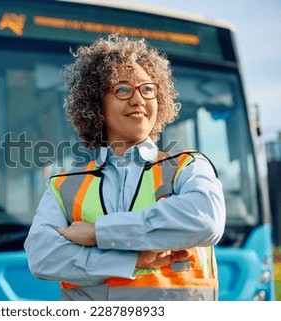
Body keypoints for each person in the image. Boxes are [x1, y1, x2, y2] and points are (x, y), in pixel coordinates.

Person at [24, 34, 226, 301]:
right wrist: (131, 260)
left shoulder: (187, 166)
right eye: (122, 89)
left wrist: (98, 233)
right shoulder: (64, 185)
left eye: (148, 89)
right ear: (96, 105)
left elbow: (205, 220)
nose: (139, 100)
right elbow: (42, 257)